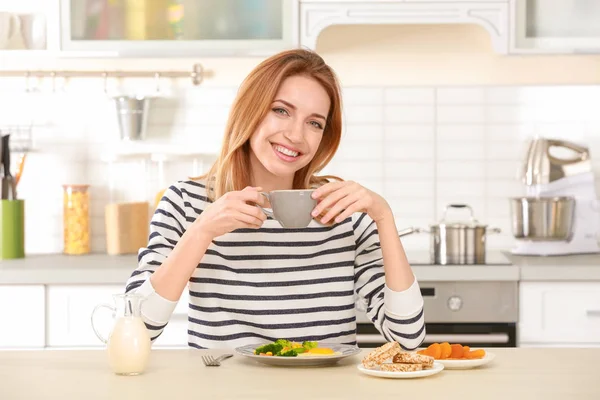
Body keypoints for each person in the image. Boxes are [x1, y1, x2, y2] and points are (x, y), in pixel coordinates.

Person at [125, 48, 425, 350]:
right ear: (250, 110)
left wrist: (383, 216)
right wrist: (202, 232)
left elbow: (408, 338)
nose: (296, 135)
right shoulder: (187, 202)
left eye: (314, 123)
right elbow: (136, 329)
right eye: (281, 110)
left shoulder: (343, 212)